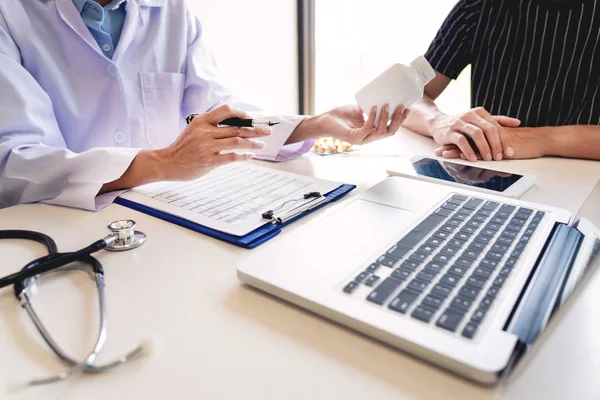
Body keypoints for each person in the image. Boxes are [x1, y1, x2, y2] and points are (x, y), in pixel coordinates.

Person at [0, 0, 407, 211]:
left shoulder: (172, 11)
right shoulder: (11, 15)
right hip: (60, 229)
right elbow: (17, 163)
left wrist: (315, 124)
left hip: (159, 220)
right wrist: (162, 163)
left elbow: (214, 111)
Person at [403, 0, 600, 163]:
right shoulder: (479, 6)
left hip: (583, 185)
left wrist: (539, 140)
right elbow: (407, 95)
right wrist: (438, 121)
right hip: (490, 172)